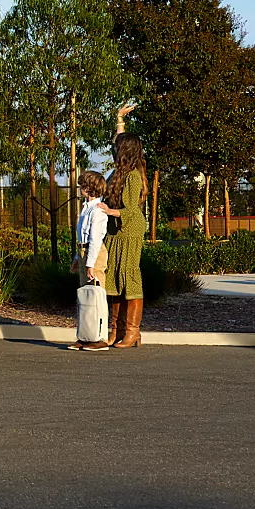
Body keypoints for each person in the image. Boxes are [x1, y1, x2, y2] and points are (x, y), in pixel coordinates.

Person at [97, 102, 148, 348]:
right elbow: (118, 140)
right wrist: (119, 119)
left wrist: (108, 210)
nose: (114, 150)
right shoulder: (119, 171)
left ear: (124, 152)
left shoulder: (133, 175)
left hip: (129, 229)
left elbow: (130, 211)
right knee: (113, 279)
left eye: (118, 149)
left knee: (130, 277)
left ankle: (133, 332)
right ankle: (116, 330)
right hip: (115, 230)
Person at [69, 171, 110, 351]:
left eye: (82, 186)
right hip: (84, 251)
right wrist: (78, 258)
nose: (80, 189)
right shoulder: (86, 208)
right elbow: (82, 236)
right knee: (85, 296)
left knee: (96, 295)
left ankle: (100, 337)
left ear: (88, 188)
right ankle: (86, 336)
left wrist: (91, 263)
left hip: (94, 253)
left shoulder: (98, 210)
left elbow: (95, 239)